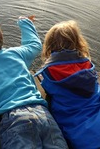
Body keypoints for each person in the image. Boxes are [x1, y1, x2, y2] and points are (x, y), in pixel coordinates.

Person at [0, 16, 68, 149]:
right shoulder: (16, 53)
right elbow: (34, 45)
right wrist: (24, 22)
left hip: (14, 119)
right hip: (42, 113)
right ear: (1, 38)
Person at [34, 20, 100, 149]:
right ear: (78, 42)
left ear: (49, 45)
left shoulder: (48, 71)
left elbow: (50, 89)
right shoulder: (88, 65)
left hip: (76, 125)